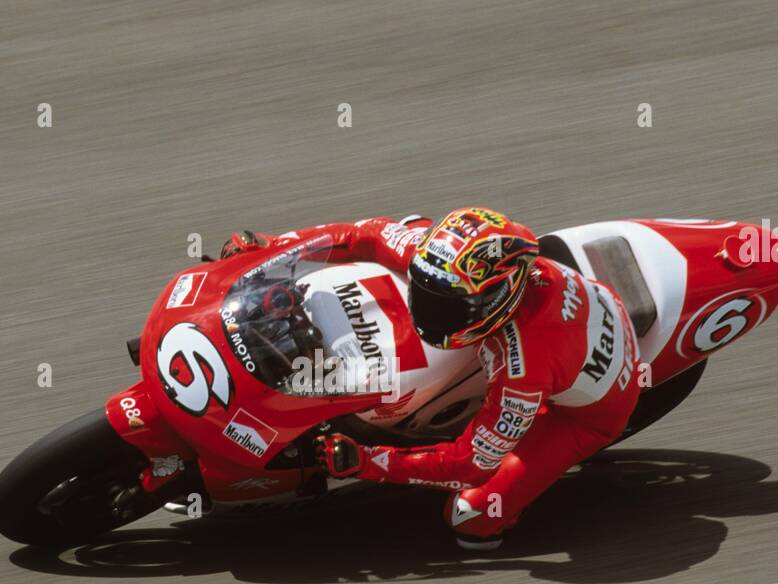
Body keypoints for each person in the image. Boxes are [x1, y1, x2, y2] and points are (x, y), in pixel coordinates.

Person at [220, 207, 641, 550]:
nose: (424, 307)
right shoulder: (446, 261)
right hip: (574, 312)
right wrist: (270, 249)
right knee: (403, 228)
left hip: (586, 412)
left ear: (496, 299)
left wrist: (369, 463)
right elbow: (362, 233)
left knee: (473, 516)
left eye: (445, 305)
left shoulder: (523, 367)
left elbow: (472, 464)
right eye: (423, 288)